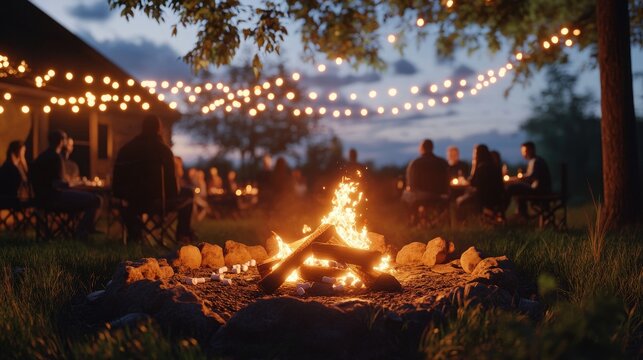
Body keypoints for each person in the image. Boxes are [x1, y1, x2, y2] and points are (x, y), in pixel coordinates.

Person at [113, 115, 194, 242]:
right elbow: (172, 189)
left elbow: (116, 185)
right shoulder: (163, 150)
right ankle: (183, 234)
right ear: (158, 129)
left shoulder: (126, 149)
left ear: (142, 128)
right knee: (188, 193)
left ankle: (135, 232)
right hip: (157, 203)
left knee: (183, 193)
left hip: (131, 202)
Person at [30, 130, 101, 239]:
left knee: (87, 198)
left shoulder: (41, 156)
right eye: (65, 139)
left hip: (40, 199)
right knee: (95, 199)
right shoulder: (55, 157)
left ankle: (83, 229)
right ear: (61, 141)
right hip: (55, 198)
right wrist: (74, 183)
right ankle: (81, 231)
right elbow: (59, 183)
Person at [456, 144, 505, 219]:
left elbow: (473, 183)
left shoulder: (481, 167)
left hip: (483, 199)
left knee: (459, 200)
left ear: (478, 154)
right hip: (498, 197)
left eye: (475, 153)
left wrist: (474, 166)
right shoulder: (495, 166)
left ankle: (463, 223)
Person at [506, 141, 552, 218]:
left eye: (525, 151)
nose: (523, 154)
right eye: (523, 152)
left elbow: (531, 177)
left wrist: (514, 179)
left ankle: (510, 211)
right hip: (539, 189)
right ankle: (521, 213)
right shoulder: (535, 161)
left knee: (512, 188)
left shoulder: (536, 161)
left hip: (538, 190)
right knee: (517, 189)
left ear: (531, 150)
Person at [402, 139, 449, 212]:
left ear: (421, 148)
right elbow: (448, 181)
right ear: (432, 148)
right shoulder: (443, 163)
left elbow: (411, 184)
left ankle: (414, 219)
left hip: (421, 197)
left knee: (405, 195)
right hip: (441, 195)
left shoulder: (415, 163)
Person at [0, 140, 30, 205]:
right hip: (12, 199)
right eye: (23, 152)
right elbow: (25, 180)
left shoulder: (15, 166)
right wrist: (23, 161)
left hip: (16, 197)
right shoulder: (11, 167)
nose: (23, 154)